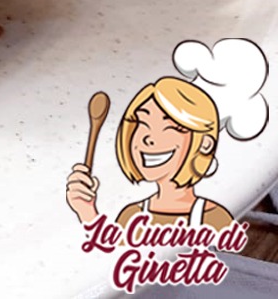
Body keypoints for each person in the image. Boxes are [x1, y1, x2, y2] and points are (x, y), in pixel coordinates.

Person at [66, 77, 235, 230]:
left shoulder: (214, 219)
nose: (148, 138)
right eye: (142, 122)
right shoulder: (132, 215)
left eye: (170, 127)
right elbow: (110, 258)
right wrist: (86, 211)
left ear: (205, 144)